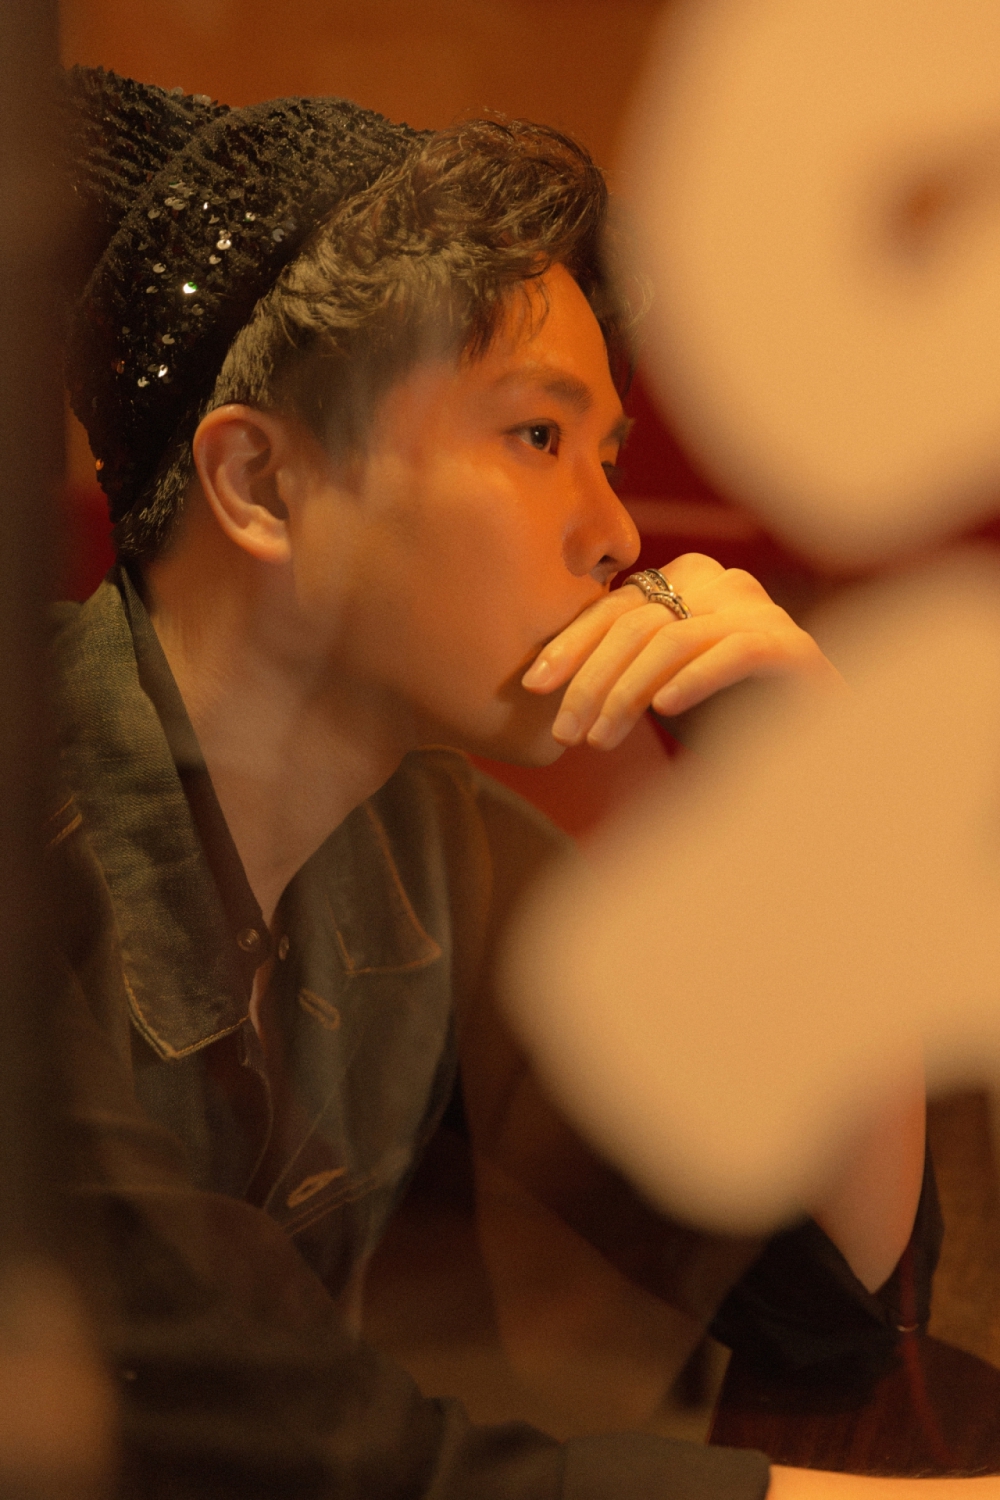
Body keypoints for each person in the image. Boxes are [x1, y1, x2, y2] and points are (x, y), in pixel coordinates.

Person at [52, 65, 942, 1500]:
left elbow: (821, 1304)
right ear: (263, 485)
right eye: (538, 435)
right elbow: (330, 1459)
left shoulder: (425, 843)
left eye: (607, 454)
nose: (617, 534)